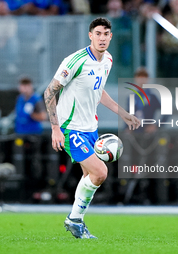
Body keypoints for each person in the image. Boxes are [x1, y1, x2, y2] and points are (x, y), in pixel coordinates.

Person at [44, 17, 140, 239]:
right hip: (71, 129)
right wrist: (55, 128)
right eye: (98, 33)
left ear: (111, 36)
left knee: (90, 176)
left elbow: (99, 91)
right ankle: (74, 219)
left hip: (90, 129)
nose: (102, 38)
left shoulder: (107, 60)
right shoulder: (75, 61)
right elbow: (49, 92)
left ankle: (77, 220)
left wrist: (123, 114)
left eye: (106, 34)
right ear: (90, 35)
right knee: (100, 172)